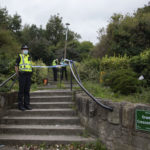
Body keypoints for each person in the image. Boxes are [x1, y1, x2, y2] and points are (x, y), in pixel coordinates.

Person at [15, 45, 32, 111]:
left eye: (27, 49)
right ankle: (20, 105)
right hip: (22, 75)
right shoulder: (19, 56)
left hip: (28, 75)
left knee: (27, 91)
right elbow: (16, 66)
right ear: (22, 50)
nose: (26, 50)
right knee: (21, 91)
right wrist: (18, 74)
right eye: (24, 49)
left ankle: (27, 105)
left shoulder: (29, 57)